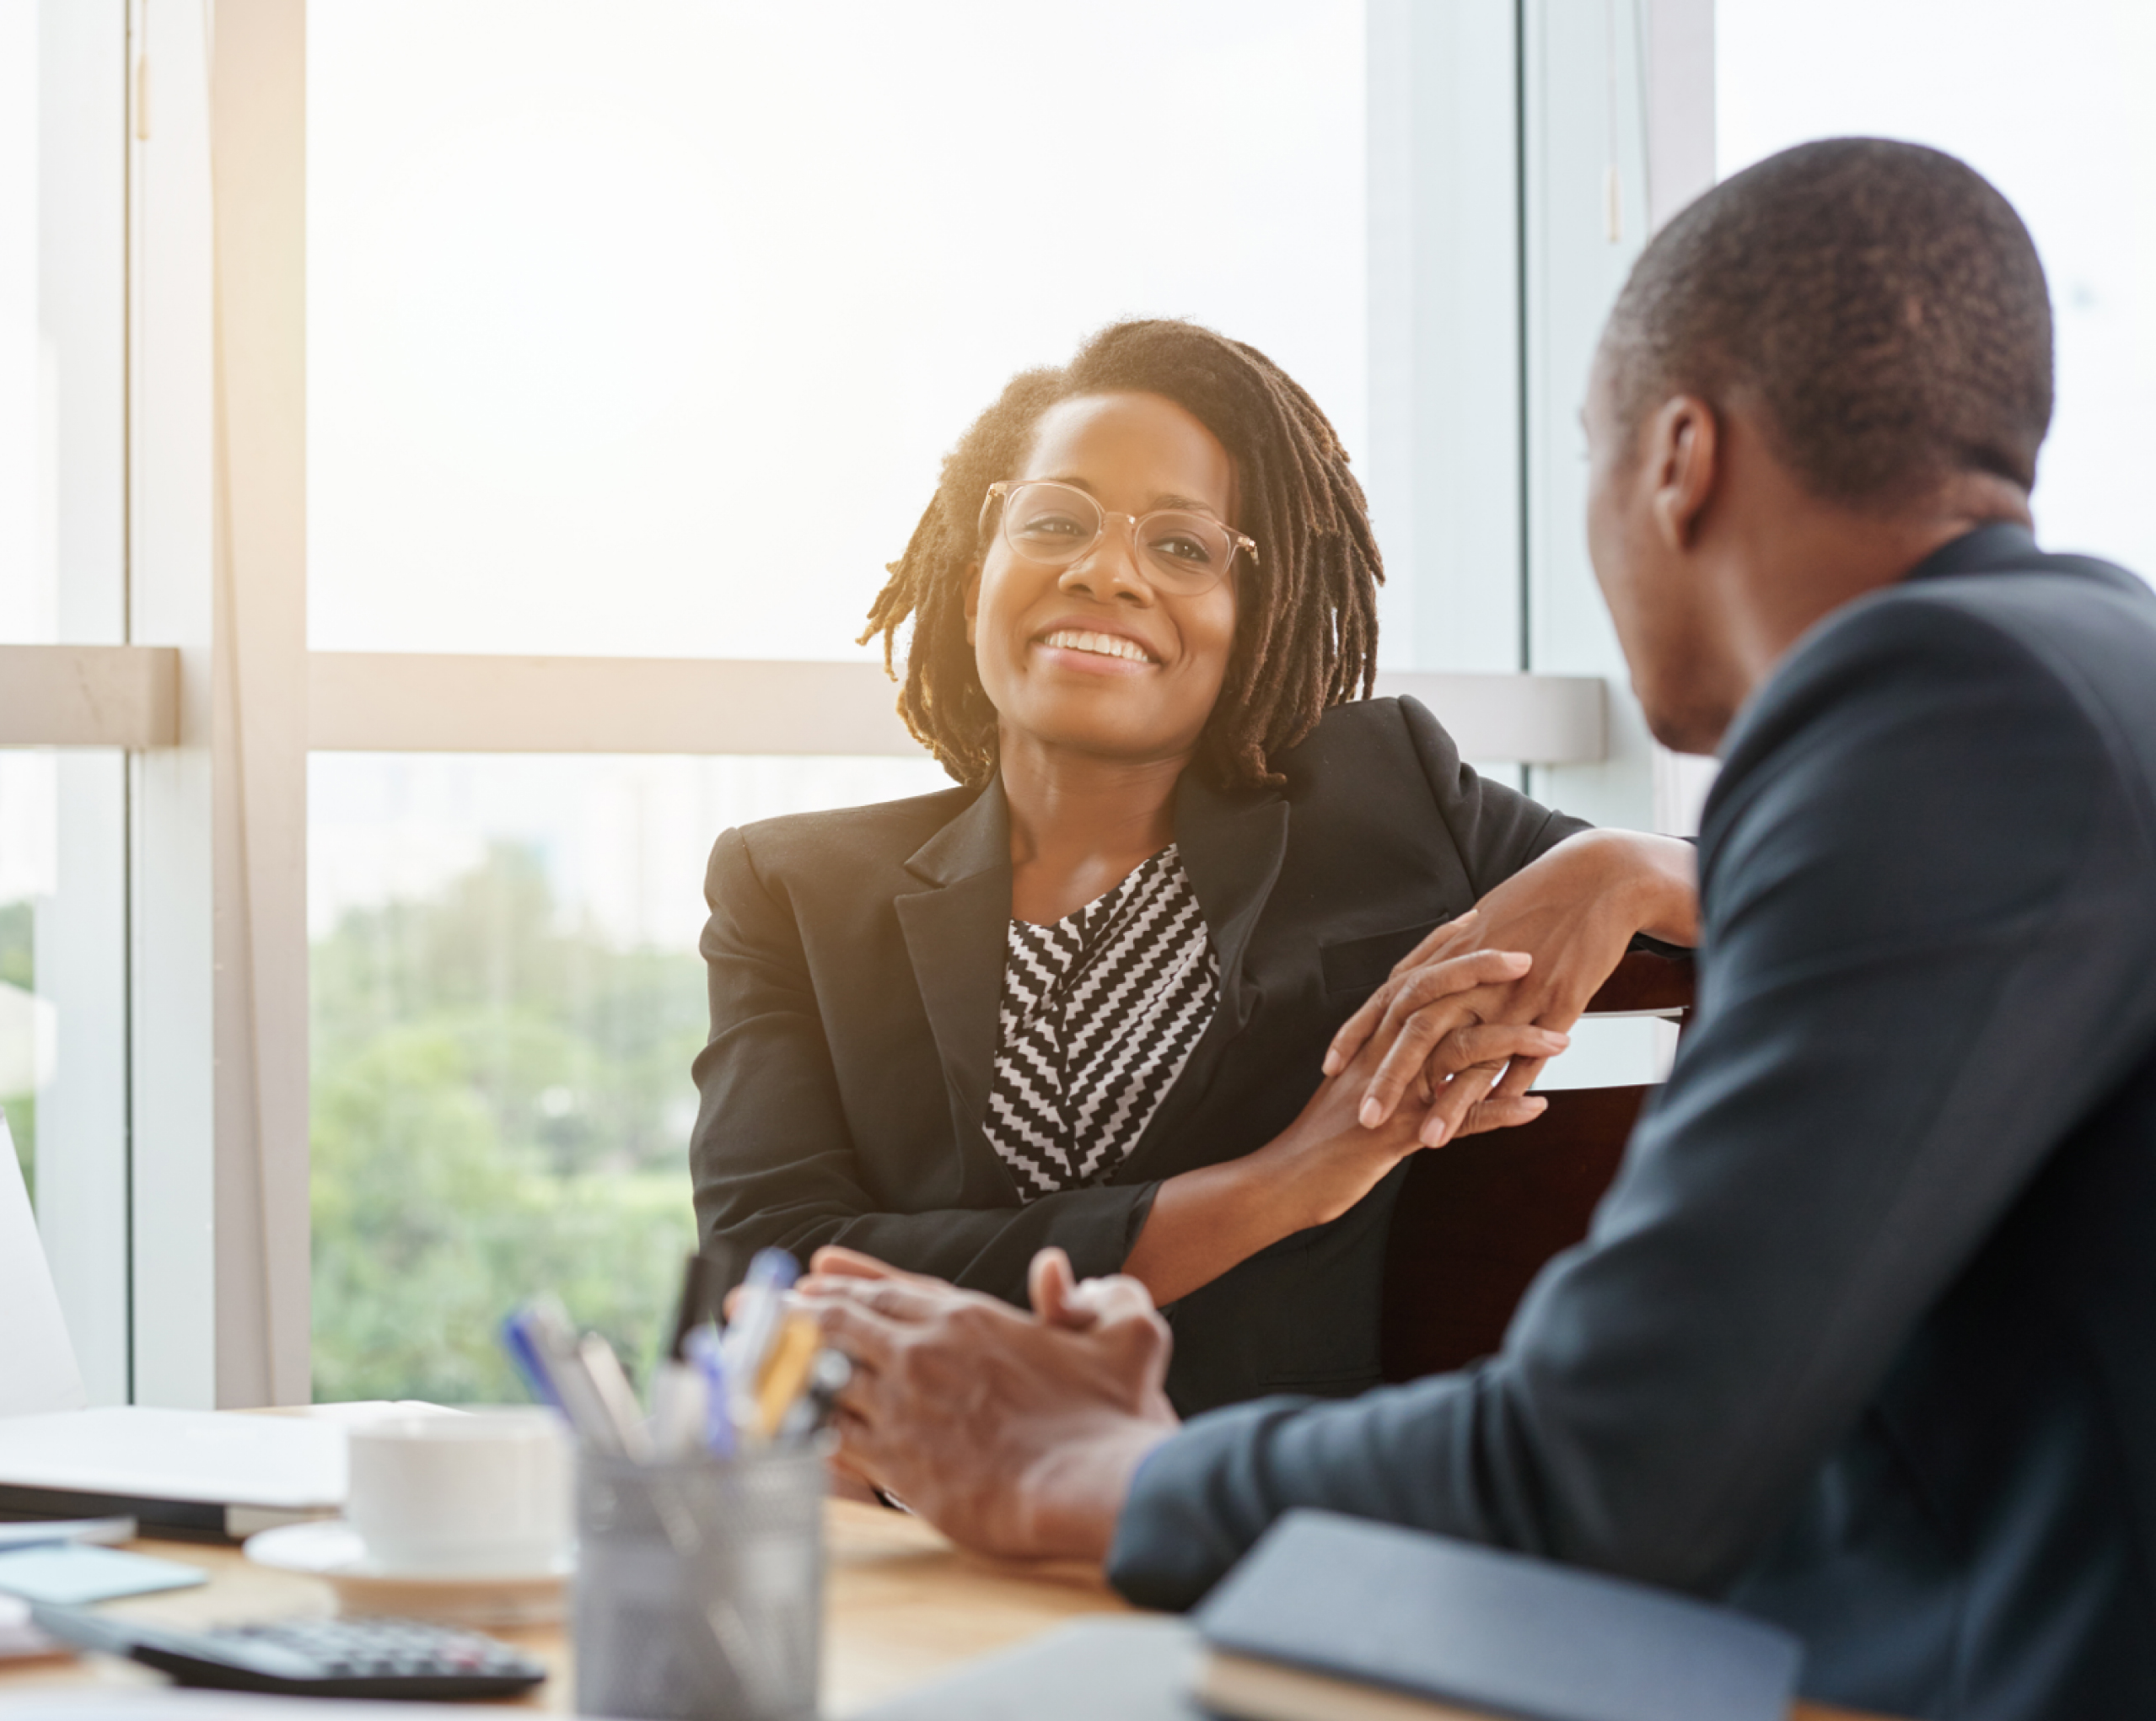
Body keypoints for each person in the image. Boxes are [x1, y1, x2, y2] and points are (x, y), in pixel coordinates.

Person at [798, 138, 2156, 1721]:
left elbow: (1603, 1467)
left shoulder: (1932, 706)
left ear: (1675, 458)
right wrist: (1645, 871)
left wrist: (1097, 1468)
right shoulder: (2088, 665)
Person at [689, 320, 1697, 1417]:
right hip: (919, 1527)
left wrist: (1620, 866)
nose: (1102, 571)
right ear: (978, 558)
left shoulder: (1383, 799)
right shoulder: (789, 891)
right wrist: (1278, 1187)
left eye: (1180, 546)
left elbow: (1824, 896)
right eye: (1053, 520)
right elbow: (769, 1275)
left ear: (1254, 611)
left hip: (1258, 1527)